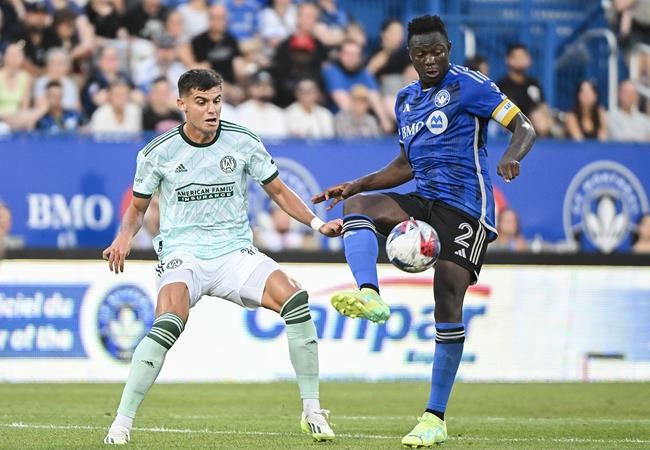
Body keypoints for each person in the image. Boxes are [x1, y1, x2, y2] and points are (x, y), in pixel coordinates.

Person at [312, 15, 536, 447]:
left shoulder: (471, 85)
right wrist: (356, 184)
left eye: (436, 52)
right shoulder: (406, 100)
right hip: (426, 198)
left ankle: (434, 417)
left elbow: (523, 126)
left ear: (448, 49)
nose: (430, 60)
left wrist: (512, 155)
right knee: (359, 207)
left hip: (466, 208)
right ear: (410, 56)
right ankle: (370, 295)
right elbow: (404, 165)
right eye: (420, 54)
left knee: (446, 300)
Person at [102, 68, 340, 445]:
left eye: (216, 101)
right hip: (183, 253)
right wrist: (123, 237)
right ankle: (121, 422)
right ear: (182, 104)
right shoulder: (157, 152)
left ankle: (312, 411)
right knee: (168, 322)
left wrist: (317, 223)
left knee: (296, 301)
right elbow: (138, 207)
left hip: (234, 252)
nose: (211, 110)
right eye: (201, 102)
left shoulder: (242, 141)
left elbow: (278, 191)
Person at [497, 43, 554, 136]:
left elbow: (543, 107)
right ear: (508, 60)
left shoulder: (534, 84)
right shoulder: (502, 86)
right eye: (516, 57)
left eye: (523, 56)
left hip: (537, 130)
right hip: (511, 133)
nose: (520, 60)